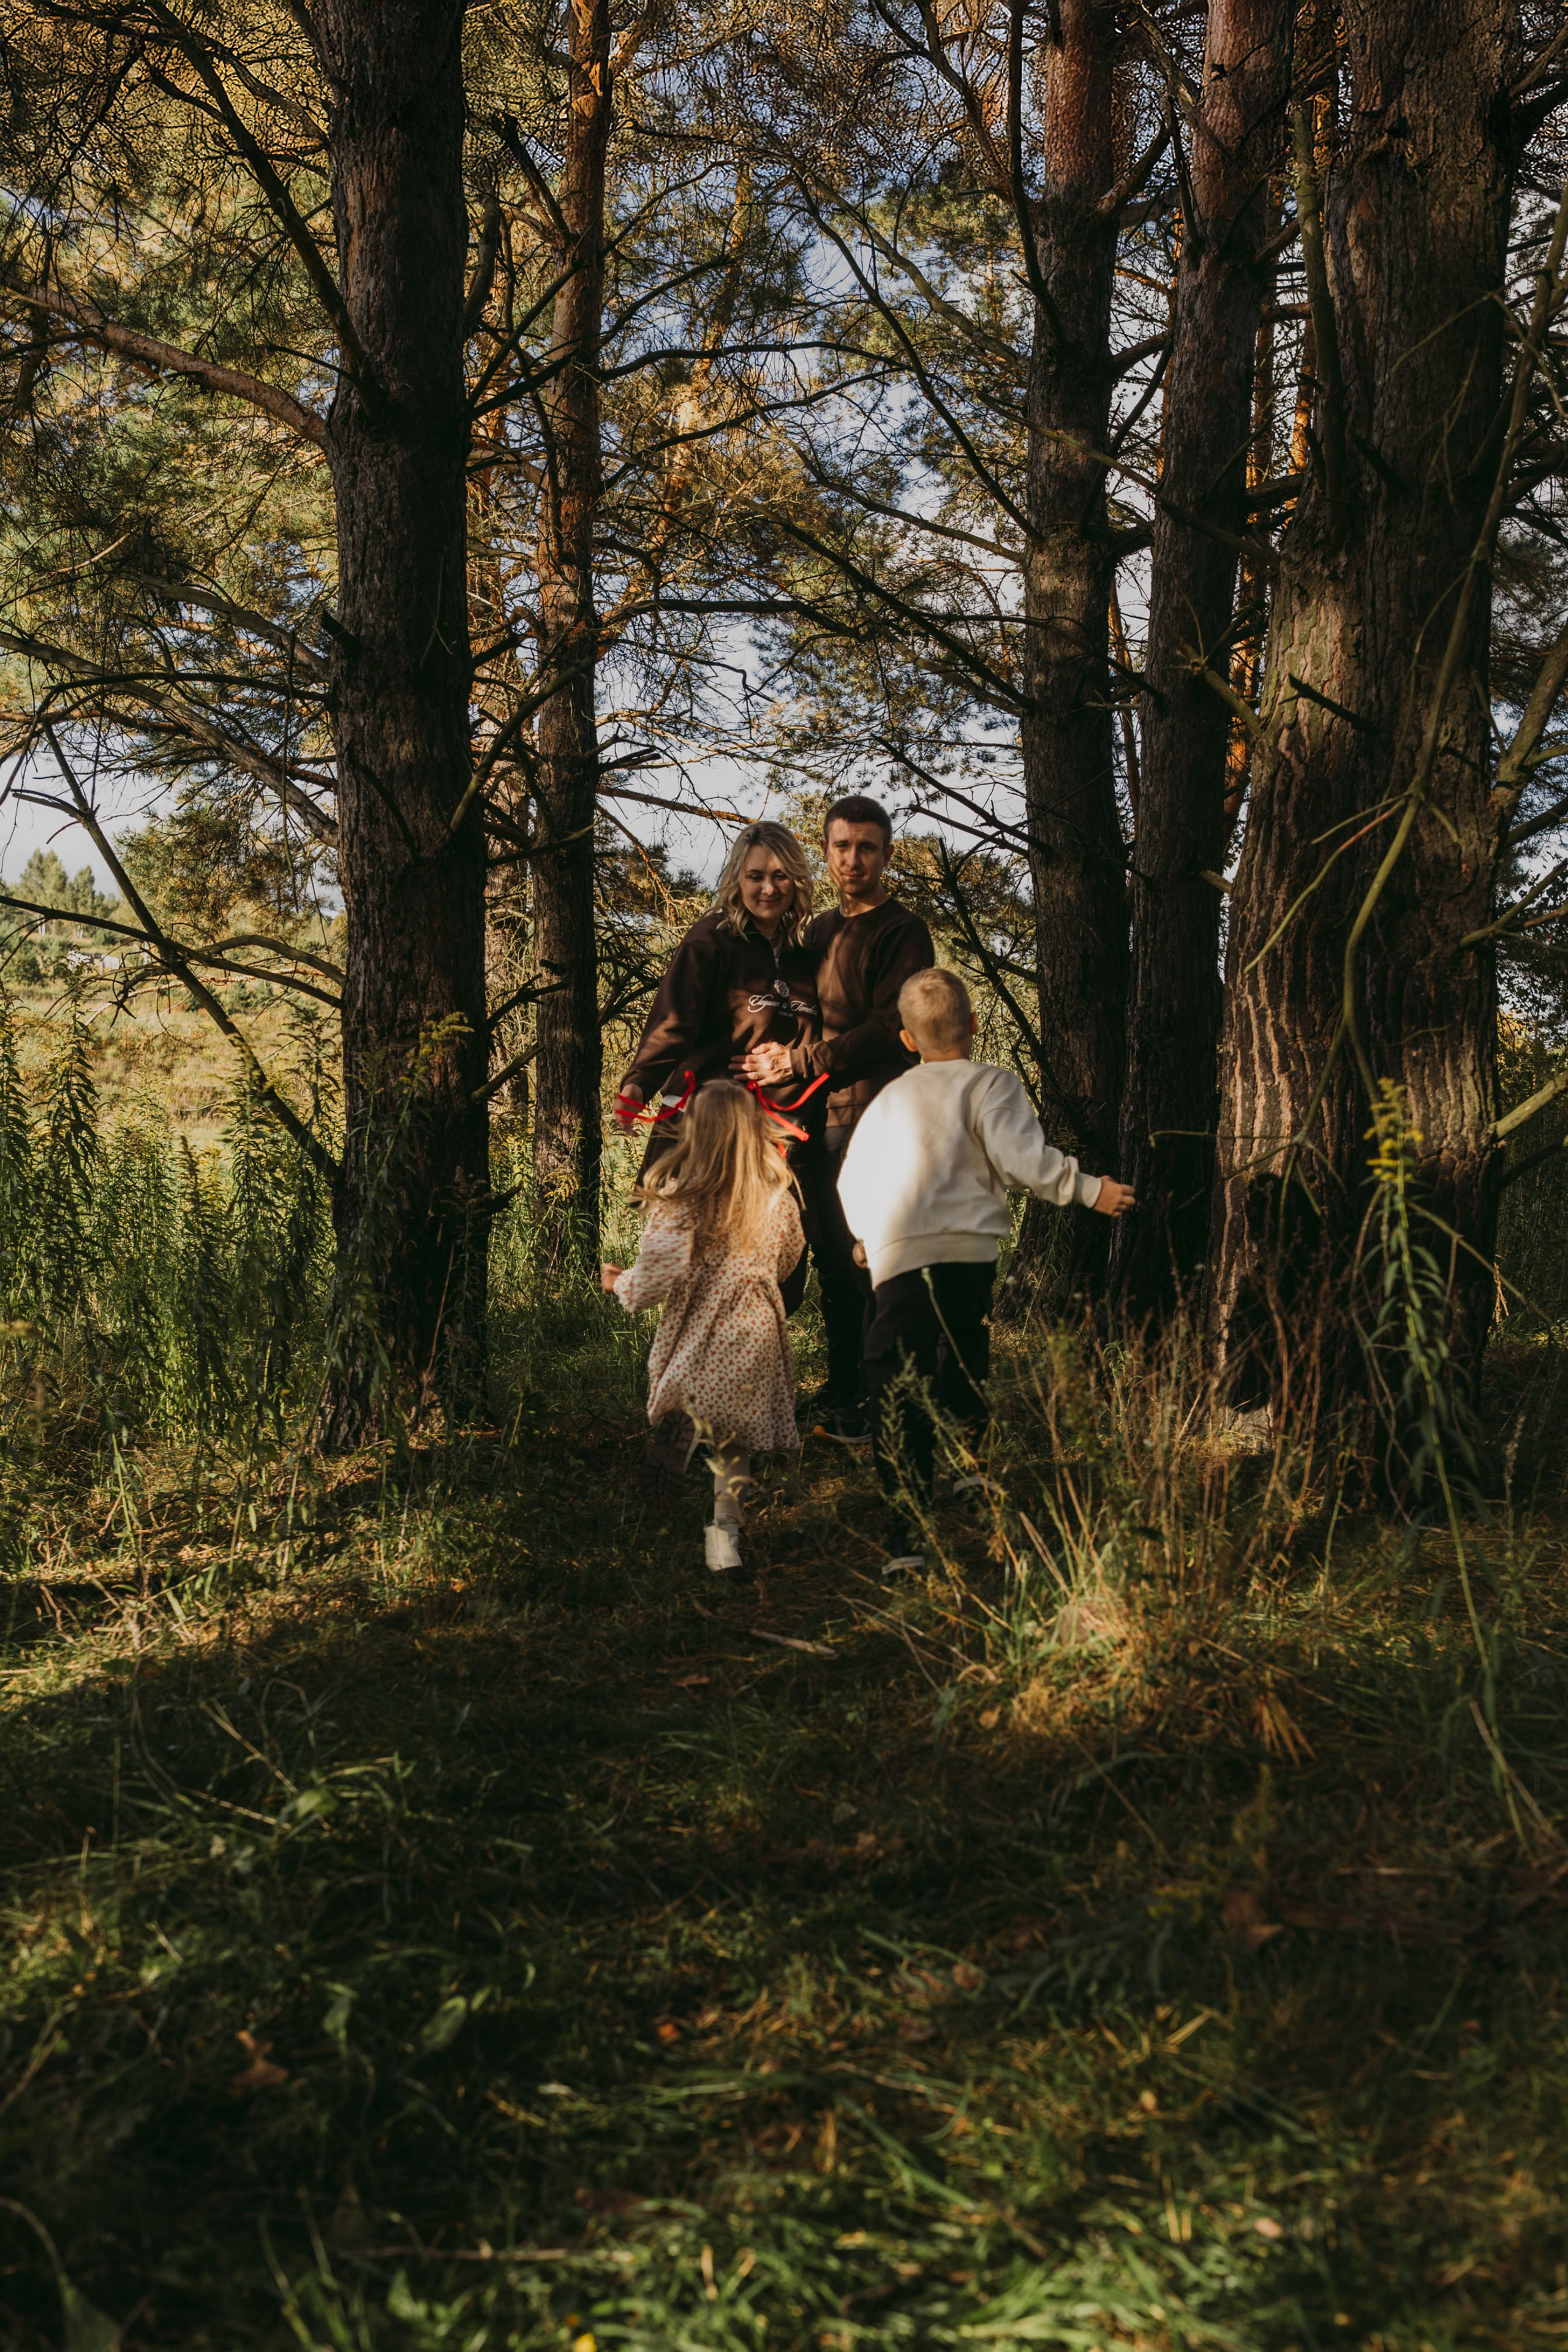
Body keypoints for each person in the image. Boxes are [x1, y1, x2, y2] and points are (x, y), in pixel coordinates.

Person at [836, 968, 1136, 1574]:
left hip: (899, 1254)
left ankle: (907, 1534)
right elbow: (1023, 1158)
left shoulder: (890, 1098)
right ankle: (971, 1471)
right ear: (973, 1027)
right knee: (965, 1353)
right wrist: (1086, 1189)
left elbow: (852, 1175)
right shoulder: (992, 1085)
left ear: (906, 1041)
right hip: (968, 1252)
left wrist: (865, 1234)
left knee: (897, 1381)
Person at [738, 794, 933, 1436]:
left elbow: (890, 1027)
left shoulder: (902, 931)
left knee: (872, 1258)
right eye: (842, 846)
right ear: (825, 853)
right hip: (815, 1120)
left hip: (876, 1117)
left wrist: (798, 1063)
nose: (854, 859)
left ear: (886, 855)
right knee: (829, 1257)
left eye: (867, 847)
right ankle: (845, 1386)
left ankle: (886, 1405)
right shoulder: (817, 929)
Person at [602, 1082, 805, 1582]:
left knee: (690, 1394)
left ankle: (686, 1429)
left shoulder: (684, 1198)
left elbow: (658, 1273)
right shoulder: (777, 1199)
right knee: (736, 1446)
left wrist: (619, 1283)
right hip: (755, 1323)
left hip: (702, 1321)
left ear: (695, 1133)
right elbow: (789, 1258)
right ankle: (724, 1548)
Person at [615, 820, 820, 1160]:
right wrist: (638, 1083)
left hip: (778, 1134)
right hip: (704, 1124)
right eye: (756, 877)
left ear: (796, 880)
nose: (769, 889)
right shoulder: (710, 940)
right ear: (738, 878)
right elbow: (673, 1022)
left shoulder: (807, 953)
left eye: (780, 876)